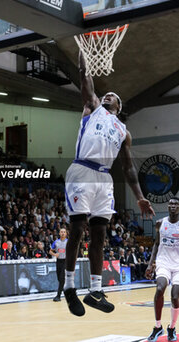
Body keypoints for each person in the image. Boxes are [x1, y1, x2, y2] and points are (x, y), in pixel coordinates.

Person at [63, 50, 155, 317]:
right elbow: (84, 77)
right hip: (82, 169)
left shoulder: (123, 132)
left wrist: (139, 196)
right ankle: (69, 287)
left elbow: (127, 167)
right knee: (78, 228)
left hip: (104, 178)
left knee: (100, 236)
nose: (107, 96)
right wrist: (83, 53)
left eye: (112, 96)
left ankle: (95, 291)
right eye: (106, 95)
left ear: (119, 106)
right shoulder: (92, 107)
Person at [146, 197, 179, 341]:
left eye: (176, 204)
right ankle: (158, 327)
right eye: (171, 203)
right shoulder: (160, 223)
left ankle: (171, 327)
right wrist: (150, 264)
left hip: (178, 265)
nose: (173, 205)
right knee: (160, 289)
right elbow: (156, 244)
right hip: (163, 263)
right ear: (168, 206)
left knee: (175, 297)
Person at [49, 227, 68, 302]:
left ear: (66, 234)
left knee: (62, 278)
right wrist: (54, 254)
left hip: (65, 261)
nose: (63, 233)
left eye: (64, 232)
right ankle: (67, 292)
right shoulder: (56, 242)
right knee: (59, 279)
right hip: (58, 261)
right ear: (59, 233)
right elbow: (50, 251)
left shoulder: (68, 242)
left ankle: (58, 296)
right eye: (61, 232)